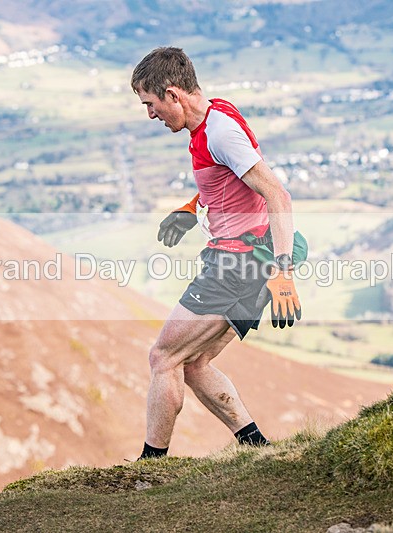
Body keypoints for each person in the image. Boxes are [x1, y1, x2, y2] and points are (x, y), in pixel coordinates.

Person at [131, 47, 301, 460]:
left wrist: (283, 274)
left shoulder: (220, 133)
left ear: (173, 94)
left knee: (163, 357)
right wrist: (193, 208)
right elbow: (231, 182)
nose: (150, 115)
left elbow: (277, 195)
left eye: (151, 104)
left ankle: (151, 468)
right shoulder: (215, 115)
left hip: (237, 265)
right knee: (194, 363)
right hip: (246, 261)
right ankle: (257, 448)